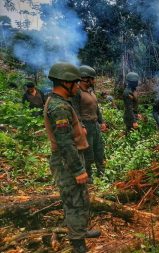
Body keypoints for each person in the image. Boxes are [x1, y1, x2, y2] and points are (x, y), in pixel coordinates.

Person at [43, 62, 100, 253]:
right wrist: (78, 169)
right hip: (67, 162)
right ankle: (78, 244)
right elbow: (65, 143)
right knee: (73, 201)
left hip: (71, 158)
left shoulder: (62, 102)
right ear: (65, 83)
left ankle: (80, 231)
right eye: (75, 83)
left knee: (81, 198)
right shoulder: (58, 107)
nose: (78, 86)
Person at [71, 65, 107, 183]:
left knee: (99, 150)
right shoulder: (77, 92)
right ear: (85, 78)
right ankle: (89, 177)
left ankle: (102, 174)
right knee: (88, 153)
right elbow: (75, 110)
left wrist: (101, 122)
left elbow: (97, 109)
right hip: (86, 126)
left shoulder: (91, 92)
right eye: (93, 78)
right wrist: (81, 126)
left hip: (95, 124)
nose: (94, 81)